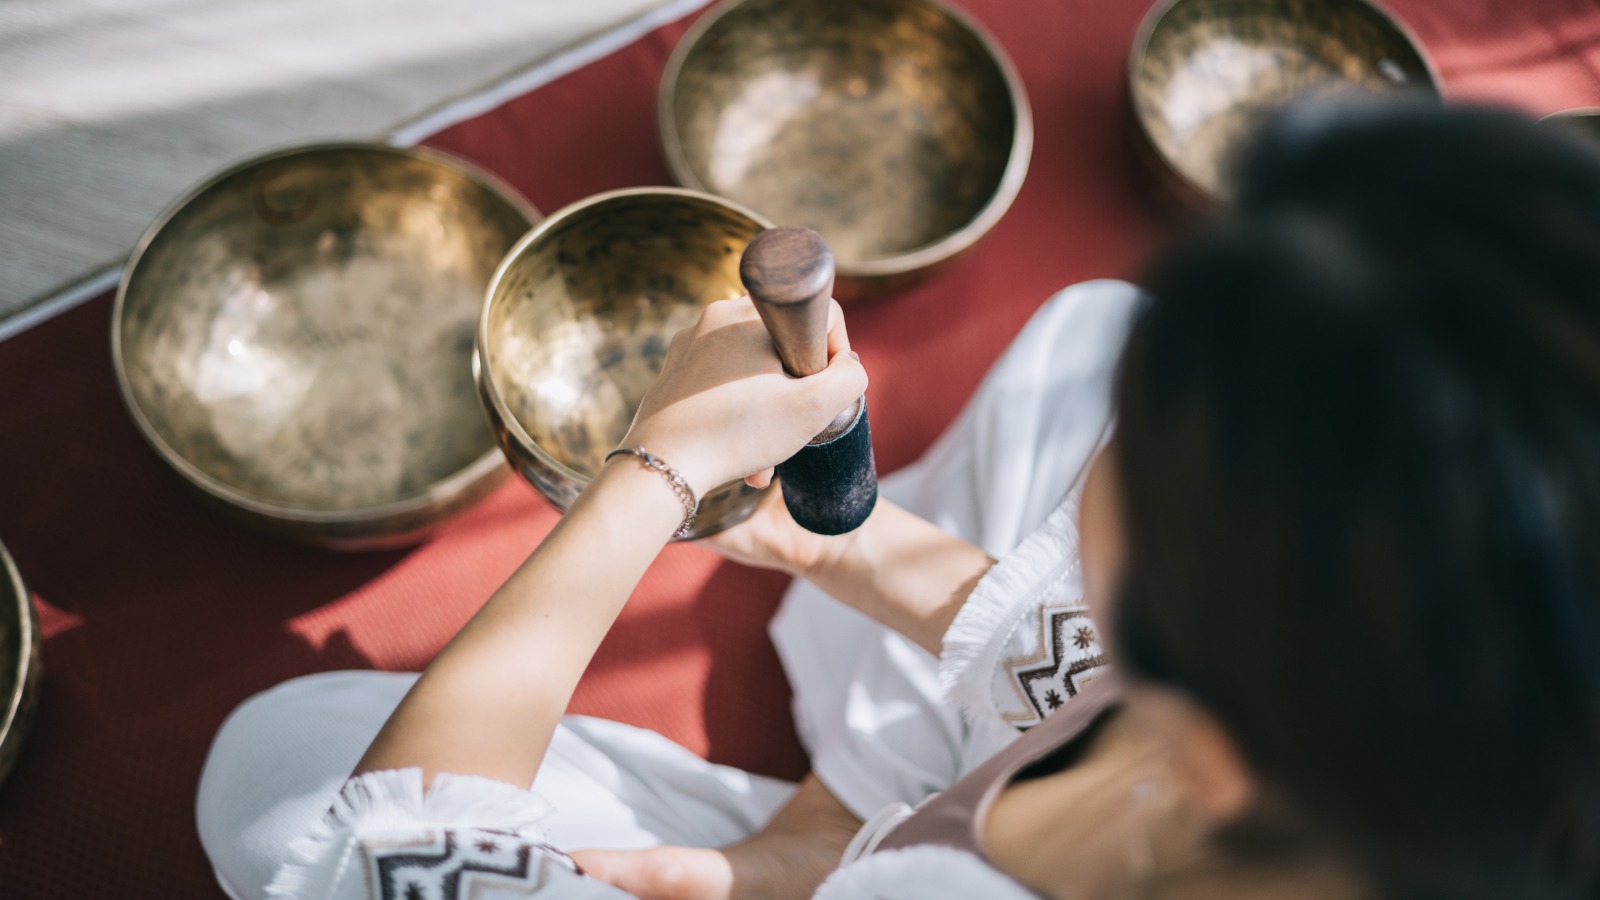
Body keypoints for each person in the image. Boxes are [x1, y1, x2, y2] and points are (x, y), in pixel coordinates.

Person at [196, 100, 1600, 900]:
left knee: (274, 778)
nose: (1128, 436)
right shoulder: (1372, 726)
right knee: (1087, 328)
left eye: (1154, 445)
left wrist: (654, 473)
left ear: (1222, 737)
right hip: (910, 837)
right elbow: (1059, 645)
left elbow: (384, 864)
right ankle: (823, 816)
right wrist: (818, 537)